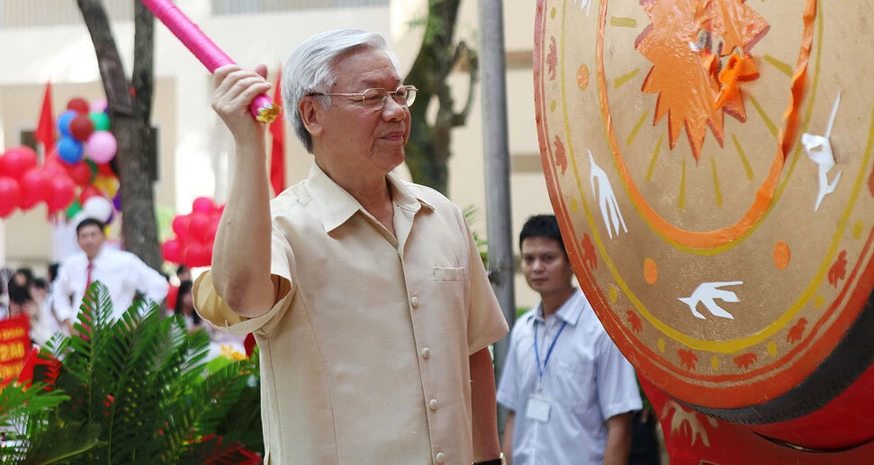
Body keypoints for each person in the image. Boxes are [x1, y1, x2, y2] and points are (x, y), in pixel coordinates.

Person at [193, 29, 510, 465]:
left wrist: (489, 459)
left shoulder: (441, 216)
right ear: (312, 115)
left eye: (399, 93)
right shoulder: (284, 227)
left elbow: (474, 350)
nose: (396, 111)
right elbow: (242, 295)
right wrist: (249, 145)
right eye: (372, 98)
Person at [497, 215, 642, 465]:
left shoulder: (601, 330)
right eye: (529, 259)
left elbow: (620, 422)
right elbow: (513, 413)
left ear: (572, 261)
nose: (536, 267)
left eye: (548, 258)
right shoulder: (523, 329)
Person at [52, 218, 169, 333]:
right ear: (77, 240)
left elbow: (159, 285)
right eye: (84, 236)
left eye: (93, 235)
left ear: (103, 236)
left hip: (114, 335)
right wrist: (67, 318)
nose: (89, 240)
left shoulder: (124, 261)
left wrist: (138, 317)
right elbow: (58, 291)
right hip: (80, 336)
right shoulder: (72, 264)